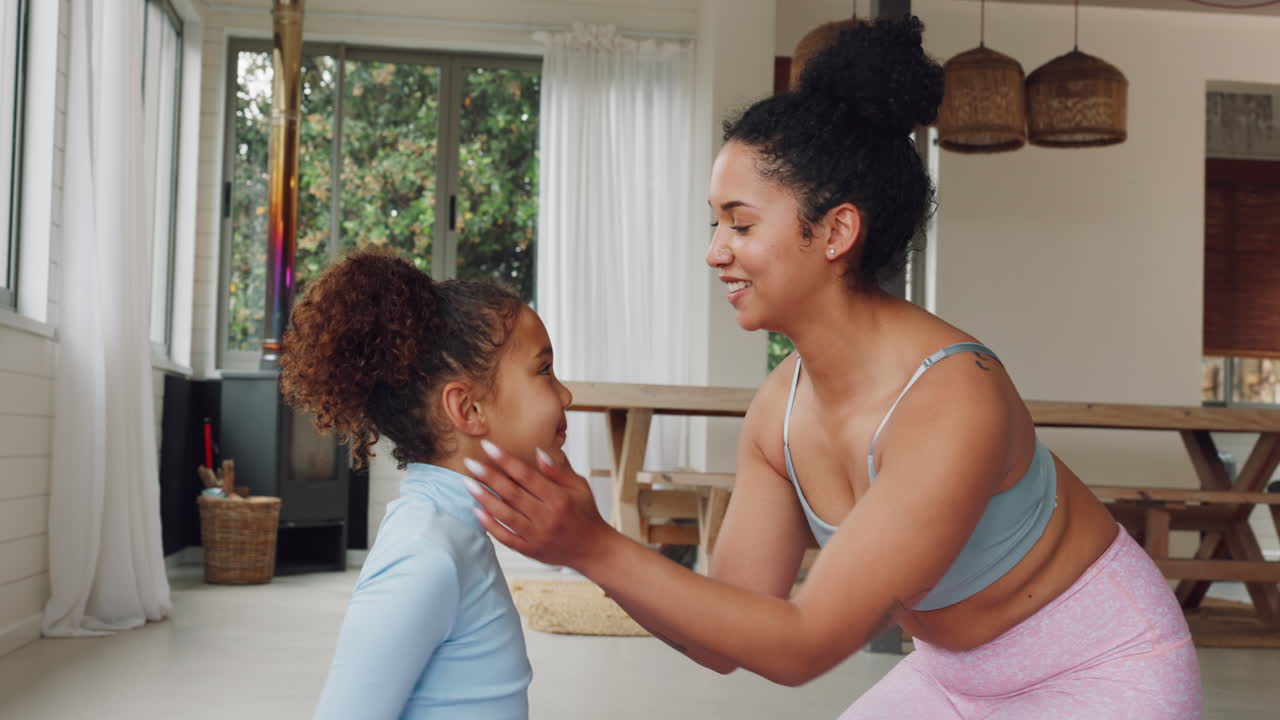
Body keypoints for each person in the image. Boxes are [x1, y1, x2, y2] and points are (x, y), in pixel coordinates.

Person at [461, 16, 1202, 719]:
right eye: (714, 222)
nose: (716, 250)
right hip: (952, 680)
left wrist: (593, 543)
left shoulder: (951, 397)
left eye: (741, 223)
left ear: (837, 230)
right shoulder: (778, 412)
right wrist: (589, 553)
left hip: (1101, 670)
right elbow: (730, 638)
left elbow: (805, 643)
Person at [279, 249, 573, 719]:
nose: (566, 395)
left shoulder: (454, 534)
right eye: (544, 370)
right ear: (469, 409)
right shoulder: (423, 556)